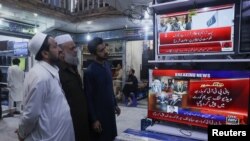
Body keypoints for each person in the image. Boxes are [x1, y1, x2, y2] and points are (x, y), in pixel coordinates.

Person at [16, 32, 75, 141]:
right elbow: (31, 114)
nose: (60, 49)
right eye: (55, 46)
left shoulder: (51, 71)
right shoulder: (40, 77)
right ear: (45, 53)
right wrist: (22, 132)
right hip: (48, 136)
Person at [84, 37, 121, 141]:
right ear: (94, 54)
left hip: (110, 112)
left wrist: (115, 104)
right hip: (100, 115)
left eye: (105, 48)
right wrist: (94, 120)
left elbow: (109, 88)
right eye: (101, 50)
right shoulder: (90, 72)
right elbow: (89, 97)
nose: (105, 52)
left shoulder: (107, 66)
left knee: (112, 137)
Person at [55, 34, 90, 141]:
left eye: (75, 47)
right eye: (72, 48)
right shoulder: (56, 72)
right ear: (60, 51)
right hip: (68, 125)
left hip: (82, 122)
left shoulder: (73, 68)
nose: (76, 50)